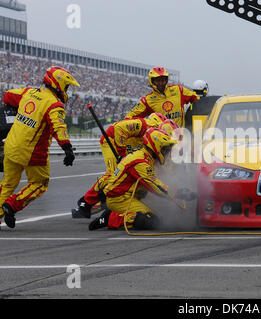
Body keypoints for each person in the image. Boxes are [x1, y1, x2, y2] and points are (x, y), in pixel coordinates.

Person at [0, 66, 79, 229]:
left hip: (11, 146)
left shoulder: (28, 92)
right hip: (32, 152)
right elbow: (59, 127)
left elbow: (8, 96)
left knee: (7, 184)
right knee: (39, 184)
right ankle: (12, 205)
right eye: (67, 86)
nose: (68, 90)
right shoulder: (54, 104)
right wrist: (67, 149)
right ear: (59, 84)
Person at [88, 128, 196, 231]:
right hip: (119, 199)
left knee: (160, 213)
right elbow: (156, 186)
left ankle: (115, 213)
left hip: (129, 195)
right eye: (165, 149)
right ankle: (112, 218)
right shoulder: (141, 162)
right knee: (151, 221)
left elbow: (161, 180)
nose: (166, 152)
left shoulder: (146, 156)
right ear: (155, 146)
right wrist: (179, 193)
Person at [75, 113, 167, 218]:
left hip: (123, 145)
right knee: (113, 174)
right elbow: (119, 129)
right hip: (111, 140)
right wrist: (122, 153)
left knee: (125, 176)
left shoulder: (151, 131)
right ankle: (86, 201)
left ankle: (110, 202)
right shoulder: (145, 125)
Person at [124, 67, 199, 128]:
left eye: (163, 80)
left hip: (181, 136)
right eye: (158, 81)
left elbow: (195, 97)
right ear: (152, 81)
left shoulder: (179, 90)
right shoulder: (147, 100)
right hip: (162, 140)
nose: (161, 83)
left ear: (166, 80)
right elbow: (129, 118)